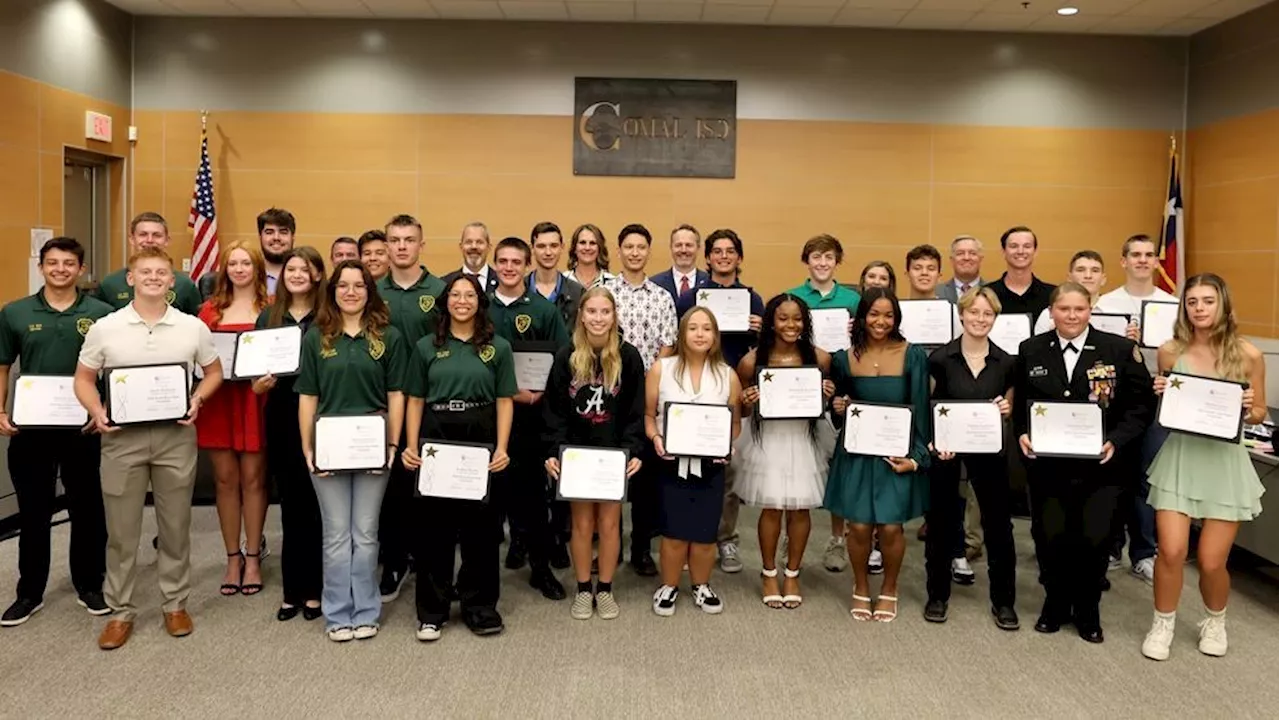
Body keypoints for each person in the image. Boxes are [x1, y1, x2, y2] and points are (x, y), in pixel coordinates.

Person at [74, 246, 223, 650]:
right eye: (145, 272)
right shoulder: (105, 327)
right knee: (122, 532)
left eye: (161, 272)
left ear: (172, 281)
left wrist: (197, 400)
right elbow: (84, 379)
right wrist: (97, 409)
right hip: (122, 439)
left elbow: (213, 372)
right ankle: (120, 611)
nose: (153, 278)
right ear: (130, 278)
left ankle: (175, 604)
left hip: (175, 436)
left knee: (175, 526)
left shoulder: (191, 327)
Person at [1013, 282, 1152, 644]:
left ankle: (1088, 610)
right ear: (1052, 312)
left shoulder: (1119, 350)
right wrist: (1022, 434)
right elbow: (1021, 406)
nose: (1071, 316)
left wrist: (1115, 441)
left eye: (1079, 309)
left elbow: (1140, 408)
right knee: (1050, 536)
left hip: (1101, 468)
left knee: (1095, 537)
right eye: (1064, 309)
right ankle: (1055, 605)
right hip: (1048, 467)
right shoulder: (1031, 349)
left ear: (1090, 309)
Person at [1141, 273, 1267, 660]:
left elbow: (1260, 412)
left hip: (1224, 465)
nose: (1199, 308)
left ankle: (1215, 620)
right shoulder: (1168, 351)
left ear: (1223, 304)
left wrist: (1248, 409)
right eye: (1192, 301)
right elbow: (1168, 408)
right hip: (1181, 459)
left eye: (1207, 301)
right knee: (1172, 551)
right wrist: (1159, 392)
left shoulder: (1248, 354)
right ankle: (1163, 623)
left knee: (1212, 561)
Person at [0, 237, 113, 627]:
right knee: (33, 511)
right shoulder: (14, 312)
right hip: (32, 427)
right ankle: (29, 592)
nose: (60, 269)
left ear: (80, 269)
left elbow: (114, 367)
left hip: (83, 427)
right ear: (41, 266)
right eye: (52, 263)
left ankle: (90, 584)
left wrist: (103, 410)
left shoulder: (101, 312)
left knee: (87, 508)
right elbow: (2, 364)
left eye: (68, 263)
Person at [296, 260, 407, 642]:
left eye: (359, 285)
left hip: (372, 447)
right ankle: (338, 613)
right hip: (328, 448)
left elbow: (396, 394)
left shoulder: (388, 337)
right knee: (336, 535)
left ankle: (366, 610)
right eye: (343, 285)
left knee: (365, 532)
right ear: (333, 291)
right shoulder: (317, 337)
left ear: (369, 291)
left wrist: (393, 443)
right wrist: (307, 447)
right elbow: (308, 397)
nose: (351, 292)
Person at [401, 274, 515, 641]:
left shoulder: (497, 347)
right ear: (445, 301)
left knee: (480, 529)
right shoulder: (424, 347)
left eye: (470, 295)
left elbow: (504, 400)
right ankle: (432, 611)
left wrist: (502, 447)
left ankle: (479, 606)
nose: (462, 301)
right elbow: (415, 398)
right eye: (455, 294)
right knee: (435, 528)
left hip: (480, 433)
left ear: (479, 302)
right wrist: (412, 444)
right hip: (437, 431)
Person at [826, 287, 930, 622]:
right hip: (857, 453)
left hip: (894, 453)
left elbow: (921, 410)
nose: (881, 321)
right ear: (861, 317)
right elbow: (838, 411)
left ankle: (889, 587)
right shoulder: (844, 358)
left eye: (888, 315)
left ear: (897, 318)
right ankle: (859, 586)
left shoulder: (912, 355)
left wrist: (915, 457)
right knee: (857, 527)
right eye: (874, 314)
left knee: (890, 528)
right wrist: (838, 406)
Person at [543, 287, 647, 619]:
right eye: (592, 312)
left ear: (614, 316)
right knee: (582, 524)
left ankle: (605, 589)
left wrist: (633, 450)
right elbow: (554, 410)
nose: (598, 318)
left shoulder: (629, 357)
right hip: (576, 455)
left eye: (605, 312)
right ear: (581, 315)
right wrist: (553, 451)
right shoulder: (566, 355)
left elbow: (635, 410)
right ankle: (583, 588)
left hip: (612, 455)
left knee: (611, 522)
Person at [922, 286, 1019, 629]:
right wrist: (933, 443)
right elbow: (927, 406)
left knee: (998, 527)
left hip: (990, 451)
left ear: (995, 318)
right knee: (941, 522)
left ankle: (1004, 601)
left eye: (987, 314)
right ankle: (937, 595)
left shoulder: (1007, 362)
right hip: (947, 451)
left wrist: (1008, 408)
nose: (980, 319)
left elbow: (1011, 406)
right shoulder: (939, 359)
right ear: (961, 314)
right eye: (974, 312)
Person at [734, 294, 835, 609]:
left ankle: (792, 572)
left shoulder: (820, 358)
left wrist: (827, 396)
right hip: (768, 440)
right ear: (770, 322)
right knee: (772, 508)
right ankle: (768, 572)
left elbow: (822, 407)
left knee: (801, 509)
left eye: (797, 318)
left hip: (804, 439)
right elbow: (742, 412)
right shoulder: (751, 361)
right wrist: (747, 401)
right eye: (783, 318)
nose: (791, 325)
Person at [673, 228, 764, 574]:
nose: (724, 257)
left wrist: (761, 329)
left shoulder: (753, 300)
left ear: (739, 258)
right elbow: (678, 342)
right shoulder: (691, 297)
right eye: (717, 252)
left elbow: (762, 352)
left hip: (732, 393)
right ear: (707, 258)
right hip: (693, 394)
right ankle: (686, 538)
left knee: (727, 474)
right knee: (687, 471)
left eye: (730, 252)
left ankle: (726, 539)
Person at [645, 307, 743, 616]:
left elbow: (735, 422)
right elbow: (649, 416)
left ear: (715, 335)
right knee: (673, 531)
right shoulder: (662, 368)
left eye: (707, 328)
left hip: (711, 465)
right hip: (670, 461)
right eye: (693, 328)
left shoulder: (728, 375)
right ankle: (669, 586)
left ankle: (701, 585)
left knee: (704, 532)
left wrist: (727, 444)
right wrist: (656, 438)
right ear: (682, 333)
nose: (700, 334)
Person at [487, 236, 571, 596]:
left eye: (515, 262)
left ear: (527, 265)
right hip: (487, 418)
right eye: (502, 261)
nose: (508, 267)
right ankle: (482, 577)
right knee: (487, 501)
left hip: (531, 419)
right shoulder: (479, 309)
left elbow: (562, 361)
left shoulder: (543, 310)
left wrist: (539, 394)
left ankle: (540, 568)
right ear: (495, 266)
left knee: (534, 499)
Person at [373, 214, 446, 603]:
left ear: (422, 244)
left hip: (429, 403)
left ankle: (428, 559)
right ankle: (395, 560)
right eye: (394, 240)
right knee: (393, 488)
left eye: (409, 240)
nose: (401, 246)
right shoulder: (371, 290)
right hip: (382, 404)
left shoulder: (440, 290)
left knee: (428, 487)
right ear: (385, 246)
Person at [1097, 234, 1178, 584]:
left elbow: (1184, 356)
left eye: (1149, 255)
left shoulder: (1173, 306)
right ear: (1123, 261)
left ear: (1157, 262)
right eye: (1136, 255)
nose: (1143, 260)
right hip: (1115, 402)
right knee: (1112, 474)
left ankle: (1144, 552)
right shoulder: (1104, 303)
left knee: (1148, 476)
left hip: (1159, 401)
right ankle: (1112, 546)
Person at [253, 246, 326, 622]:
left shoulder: (328, 317)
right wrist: (260, 385)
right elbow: (253, 378)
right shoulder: (270, 316)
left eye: (305, 268)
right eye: (291, 269)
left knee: (317, 507)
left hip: (322, 416)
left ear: (317, 275)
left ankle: (315, 590)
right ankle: (291, 590)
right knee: (291, 506)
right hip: (282, 415)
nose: (297, 274)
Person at [196, 242, 271, 598]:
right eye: (233, 263)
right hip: (220, 400)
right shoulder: (208, 312)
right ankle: (232, 558)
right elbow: (197, 360)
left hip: (255, 398)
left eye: (246, 263)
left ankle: (254, 556)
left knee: (254, 479)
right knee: (225, 480)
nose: (239, 269)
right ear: (224, 269)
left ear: (257, 268)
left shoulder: (271, 309)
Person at [604, 225, 678, 576]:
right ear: (619, 251)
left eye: (641, 247)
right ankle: (610, 546)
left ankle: (641, 549)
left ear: (649, 252)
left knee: (645, 479)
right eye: (628, 247)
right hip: (607, 394)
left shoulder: (662, 296)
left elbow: (667, 346)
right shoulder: (603, 292)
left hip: (648, 395)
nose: (634, 252)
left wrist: (649, 383)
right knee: (610, 474)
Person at [786, 234, 861, 573]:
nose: (822, 263)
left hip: (843, 383)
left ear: (837, 261)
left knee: (838, 467)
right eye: (815, 256)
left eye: (828, 257)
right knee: (795, 463)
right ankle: (791, 535)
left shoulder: (852, 298)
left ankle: (837, 540)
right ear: (807, 260)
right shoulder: (793, 297)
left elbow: (865, 341)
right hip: (800, 388)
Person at [93, 212, 201, 315]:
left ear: (167, 240)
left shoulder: (185, 285)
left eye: (157, 235)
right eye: (143, 234)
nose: (149, 240)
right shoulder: (110, 284)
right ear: (132, 239)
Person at [199, 208, 294, 298]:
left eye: (283, 232)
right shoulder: (241, 275)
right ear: (260, 236)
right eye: (269, 232)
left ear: (292, 237)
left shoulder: (303, 277)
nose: (276, 237)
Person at [986, 226, 1055, 320]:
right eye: (1014, 246)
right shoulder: (987, 294)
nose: (1020, 251)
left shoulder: (1053, 295)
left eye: (1027, 246)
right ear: (1003, 252)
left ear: (1035, 251)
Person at [1033, 250, 1109, 334]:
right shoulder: (1048, 315)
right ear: (1069, 278)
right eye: (1080, 270)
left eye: (1095, 270)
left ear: (1103, 279)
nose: (1088, 276)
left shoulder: (1118, 313)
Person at [528, 221, 585, 329]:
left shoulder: (578, 293)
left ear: (562, 247)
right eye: (541, 246)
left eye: (554, 246)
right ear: (532, 248)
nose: (548, 252)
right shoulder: (519, 289)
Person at [651, 224, 709, 304]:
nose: (683, 250)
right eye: (678, 245)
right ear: (671, 248)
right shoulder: (654, 284)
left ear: (698, 248)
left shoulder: (709, 283)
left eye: (689, 245)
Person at [443, 222, 498, 294]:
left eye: (479, 242)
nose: (474, 246)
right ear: (461, 247)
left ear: (489, 248)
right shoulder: (445, 284)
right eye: (468, 242)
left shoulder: (502, 282)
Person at [937, 235, 985, 303]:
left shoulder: (994, 291)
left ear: (980, 259)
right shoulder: (937, 292)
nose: (966, 258)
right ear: (952, 260)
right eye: (960, 253)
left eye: (972, 253)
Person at [565, 223, 614, 290]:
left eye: (592, 243)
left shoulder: (612, 282)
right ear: (574, 248)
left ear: (600, 248)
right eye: (582, 242)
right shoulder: (562, 282)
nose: (587, 248)